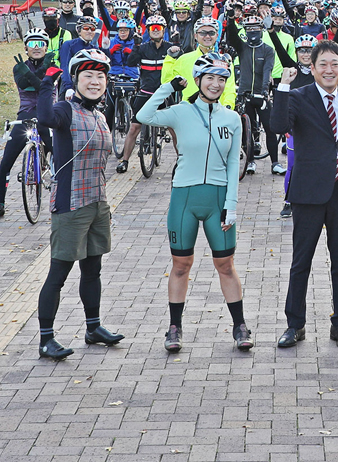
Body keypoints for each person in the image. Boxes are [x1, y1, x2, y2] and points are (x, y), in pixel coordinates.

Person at [137, 53, 251, 352]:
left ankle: (240, 326)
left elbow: (231, 165)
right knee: (180, 264)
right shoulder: (180, 111)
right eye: (210, 78)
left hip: (218, 199)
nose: (216, 84)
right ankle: (174, 328)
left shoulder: (232, 118)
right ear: (198, 80)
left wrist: (232, 204)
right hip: (184, 197)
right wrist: (167, 88)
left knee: (225, 264)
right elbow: (143, 116)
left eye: (222, 79)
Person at [270, 40, 338, 349]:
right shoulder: (298, 97)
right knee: (301, 261)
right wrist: (282, 89)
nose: (329, 69)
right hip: (309, 190)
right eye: (322, 64)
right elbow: (278, 125)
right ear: (312, 68)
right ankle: (294, 325)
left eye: (334, 64)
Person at [36, 49, 124, 360]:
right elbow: (45, 118)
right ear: (76, 79)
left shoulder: (99, 114)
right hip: (70, 204)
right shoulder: (65, 109)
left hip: (97, 202)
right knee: (58, 273)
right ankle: (46, 339)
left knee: (93, 269)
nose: (95, 81)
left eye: (100, 76)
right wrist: (47, 84)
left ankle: (93, 327)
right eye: (88, 75)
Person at [0, 30, 54, 218]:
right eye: (32, 44)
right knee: (4, 163)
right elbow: (24, 85)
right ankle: (0, 202)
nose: (37, 47)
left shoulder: (53, 66)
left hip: (47, 114)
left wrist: (42, 69)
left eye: (41, 43)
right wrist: (39, 72)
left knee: (61, 157)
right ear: (25, 48)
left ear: (47, 47)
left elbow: (42, 87)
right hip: (25, 116)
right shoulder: (18, 67)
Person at [268, 33, 318, 218]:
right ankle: (289, 201)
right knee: (293, 166)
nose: (306, 54)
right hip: (295, 127)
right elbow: (280, 50)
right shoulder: (292, 69)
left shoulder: (320, 71)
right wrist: (272, 31)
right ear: (296, 52)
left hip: (317, 126)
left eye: (310, 50)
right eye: (302, 51)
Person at [226, 14, 282, 175]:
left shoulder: (268, 50)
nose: (252, 33)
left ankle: (275, 163)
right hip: (244, 94)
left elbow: (267, 71)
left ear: (261, 30)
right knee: (246, 130)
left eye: (256, 29)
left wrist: (264, 91)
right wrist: (230, 19)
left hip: (261, 94)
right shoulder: (242, 47)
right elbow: (232, 35)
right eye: (249, 30)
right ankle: (250, 161)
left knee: (270, 129)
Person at [115, 14, 172, 173]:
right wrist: (135, 46)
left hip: (164, 94)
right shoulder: (143, 47)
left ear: (163, 30)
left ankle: (181, 161)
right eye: (152, 28)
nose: (155, 30)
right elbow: (131, 62)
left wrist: (177, 46)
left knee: (174, 127)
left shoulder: (169, 48)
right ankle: (125, 161)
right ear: (148, 30)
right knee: (134, 127)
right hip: (145, 92)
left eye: (158, 28)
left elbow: (180, 62)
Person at [162, 17, 236, 108]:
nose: (207, 36)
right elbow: (166, 82)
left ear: (217, 36)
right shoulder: (184, 59)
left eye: (211, 33)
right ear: (195, 36)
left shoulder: (224, 60)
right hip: (190, 111)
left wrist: (228, 106)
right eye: (203, 33)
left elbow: (229, 88)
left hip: (216, 112)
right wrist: (170, 59)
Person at [59, 16, 99, 97]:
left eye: (93, 29)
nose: (90, 31)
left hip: (89, 87)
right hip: (71, 86)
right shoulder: (69, 45)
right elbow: (64, 66)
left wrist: (106, 49)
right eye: (86, 28)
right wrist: (68, 87)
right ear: (78, 30)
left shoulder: (94, 48)